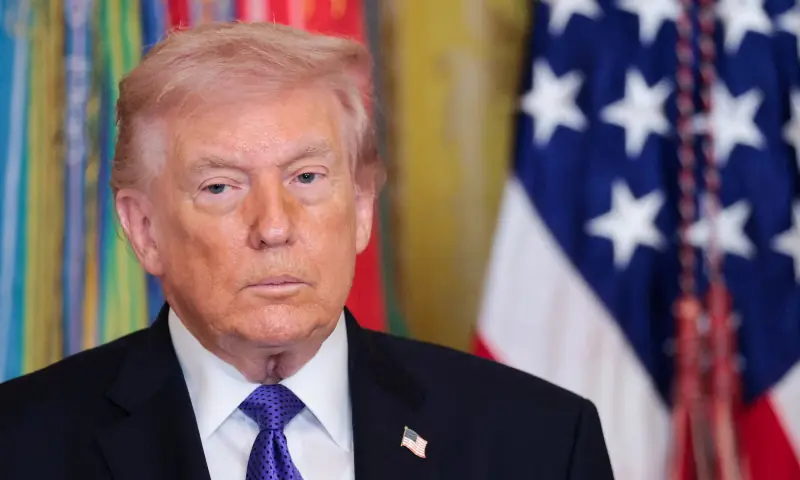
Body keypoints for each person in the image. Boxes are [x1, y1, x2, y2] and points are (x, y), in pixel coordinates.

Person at [0, 21, 613, 480]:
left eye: (307, 179)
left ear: (363, 208)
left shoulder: (539, 442)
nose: (273, 226)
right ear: (144, 229)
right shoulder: (21, 445)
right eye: (220, 187)